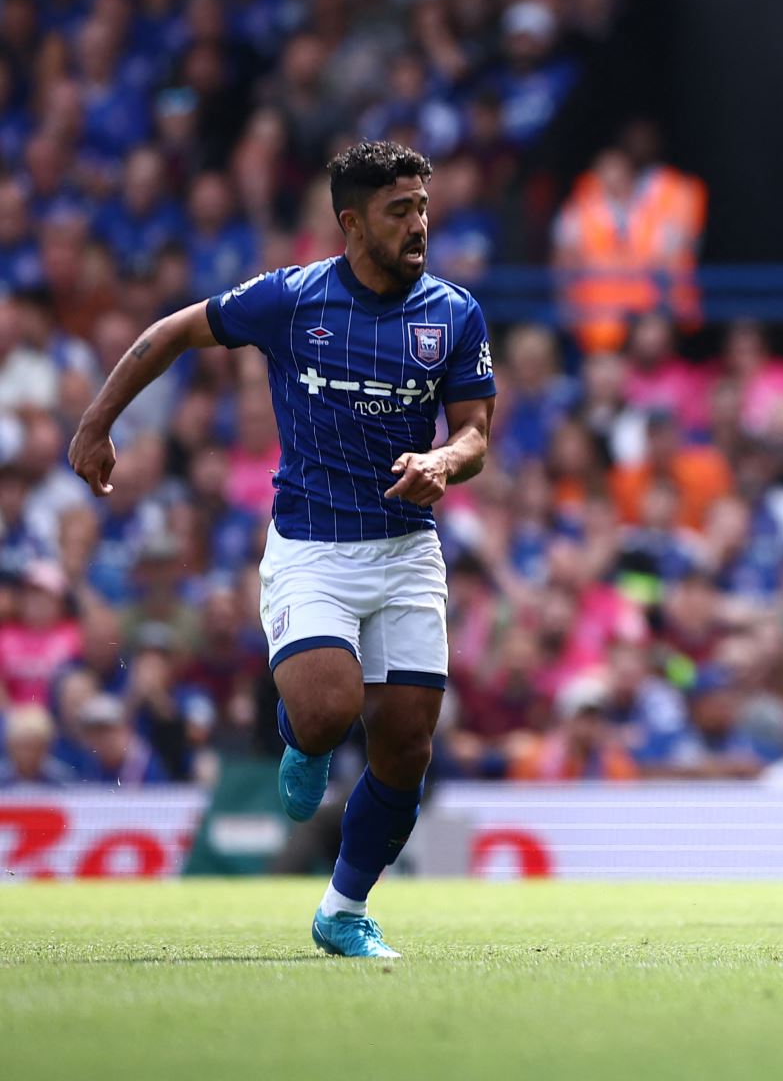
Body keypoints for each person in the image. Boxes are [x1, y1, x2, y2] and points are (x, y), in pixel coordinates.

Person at [67, 142, 496, 959]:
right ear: (351, 221)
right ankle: (301, 738)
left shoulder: (454, 313)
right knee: (331, 709)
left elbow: (477, 432)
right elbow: (171, 333)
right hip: (313, 548)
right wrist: (97, 423)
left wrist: (443, 460)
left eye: (423, 208)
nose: (419, 225)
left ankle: (343, 909)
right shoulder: (293, 299)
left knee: (407, 743)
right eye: (399, 210)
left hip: (407, 549)